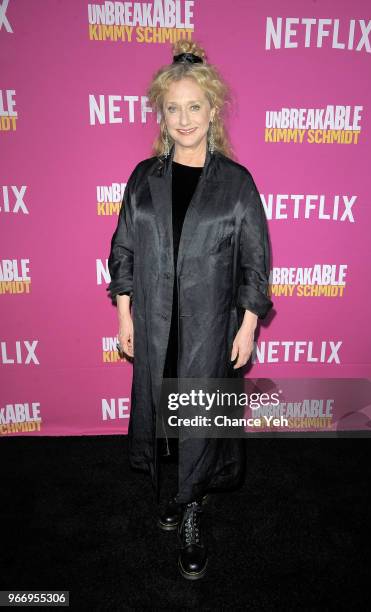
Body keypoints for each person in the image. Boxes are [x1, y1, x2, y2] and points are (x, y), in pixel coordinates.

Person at [107, 39, 273, 580]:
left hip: (210, 328)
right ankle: (173, 493)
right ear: (162, 113)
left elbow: (255, 262)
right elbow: (124, 249)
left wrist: (248, 324)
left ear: (213, 110)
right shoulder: (142, 179)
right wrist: (125, 317)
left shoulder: (237, 185)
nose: (184, 119)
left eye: (194, 107)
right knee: (164, 416)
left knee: (201, 419)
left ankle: (193, 509)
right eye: (173, 108)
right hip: (156, 327)